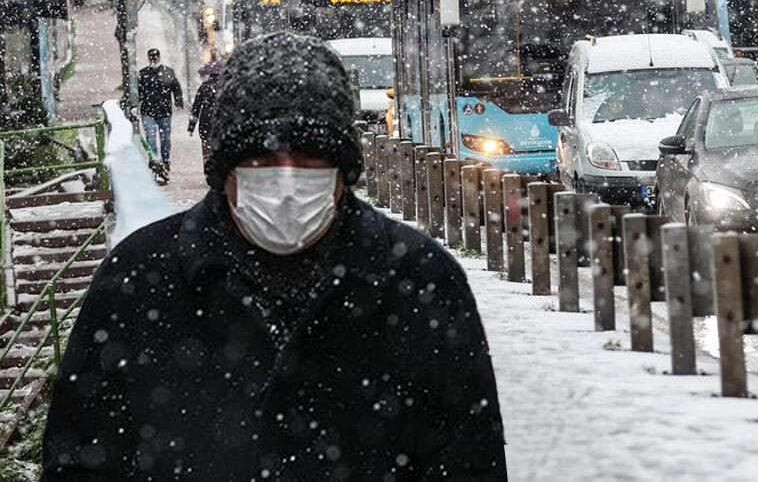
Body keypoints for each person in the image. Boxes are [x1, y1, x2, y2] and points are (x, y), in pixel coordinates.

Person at [43, 33, 507, 480]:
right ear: (224, 169)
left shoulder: (420, 282)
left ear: (343, 170)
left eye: (308, 159)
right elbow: (81, 459)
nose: (286, 183)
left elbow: (468, 459)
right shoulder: (140, 279)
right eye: (263, 161)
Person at [137, 47, 184, 175]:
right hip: (149, 111)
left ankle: (165, 160)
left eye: (155, 57)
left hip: (163, 111)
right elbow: (138, 92)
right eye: (152, 57)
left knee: (165, 139)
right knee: (151, 138)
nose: (154, 59)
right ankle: (155, 161)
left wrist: (178, 102)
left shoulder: (168, 72)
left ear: (159, 57)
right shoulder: (143, 74)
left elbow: (176, 88)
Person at [188, 59, 223, 161]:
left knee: (206, 145)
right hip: (220, 120)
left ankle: (207, 165)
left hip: (206, 120)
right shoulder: (225, 86)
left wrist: (191, 126)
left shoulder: (204, 87)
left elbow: (196, 108)